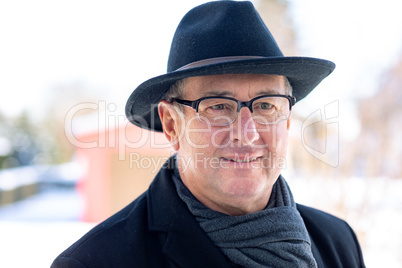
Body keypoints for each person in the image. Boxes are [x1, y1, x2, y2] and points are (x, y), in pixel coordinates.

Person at [52, 1, 365, 267]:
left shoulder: (337, 243)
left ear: (286, 121)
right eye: (218, 106)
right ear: (172, 125)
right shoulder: (96, 262)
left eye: (266, 105)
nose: (247, 133)